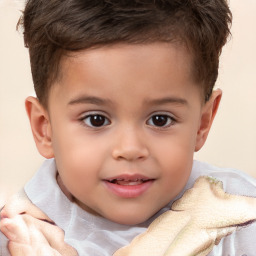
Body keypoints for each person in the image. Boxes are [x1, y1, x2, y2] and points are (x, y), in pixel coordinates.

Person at [1, 0, 256, 255]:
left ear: (202, 123)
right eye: (96, 120)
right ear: (44, 128)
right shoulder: (16, 237)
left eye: (160, 120)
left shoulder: (242, 217)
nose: (130, 149)